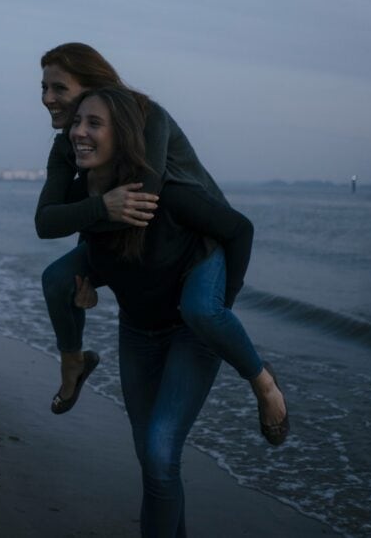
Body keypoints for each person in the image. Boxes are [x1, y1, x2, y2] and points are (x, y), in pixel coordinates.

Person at [35, 43, 287, 441]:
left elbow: (139, 204)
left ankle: (262, 382)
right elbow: (48, 221)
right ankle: (73, 364)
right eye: (43, 88)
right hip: (142, 237)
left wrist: (96, 242)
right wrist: (94, 263)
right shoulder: (68, 144)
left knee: (204, 310)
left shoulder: (147, 119)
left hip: (201, 237)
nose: (47, 98)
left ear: (92, 87)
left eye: (59, 88)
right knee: (57, 279)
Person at [62, 87, 284, 537]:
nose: (78, 132)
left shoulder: (169, 196)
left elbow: (239, 229)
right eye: (77, 122)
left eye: (93, 123)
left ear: (121, 134)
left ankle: (265, 384)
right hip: (137, 333)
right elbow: (108, 258)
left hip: (191, 333)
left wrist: (220, 307)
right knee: (152, 460)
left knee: (161, 454)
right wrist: (88, 291)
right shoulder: (85, 202)